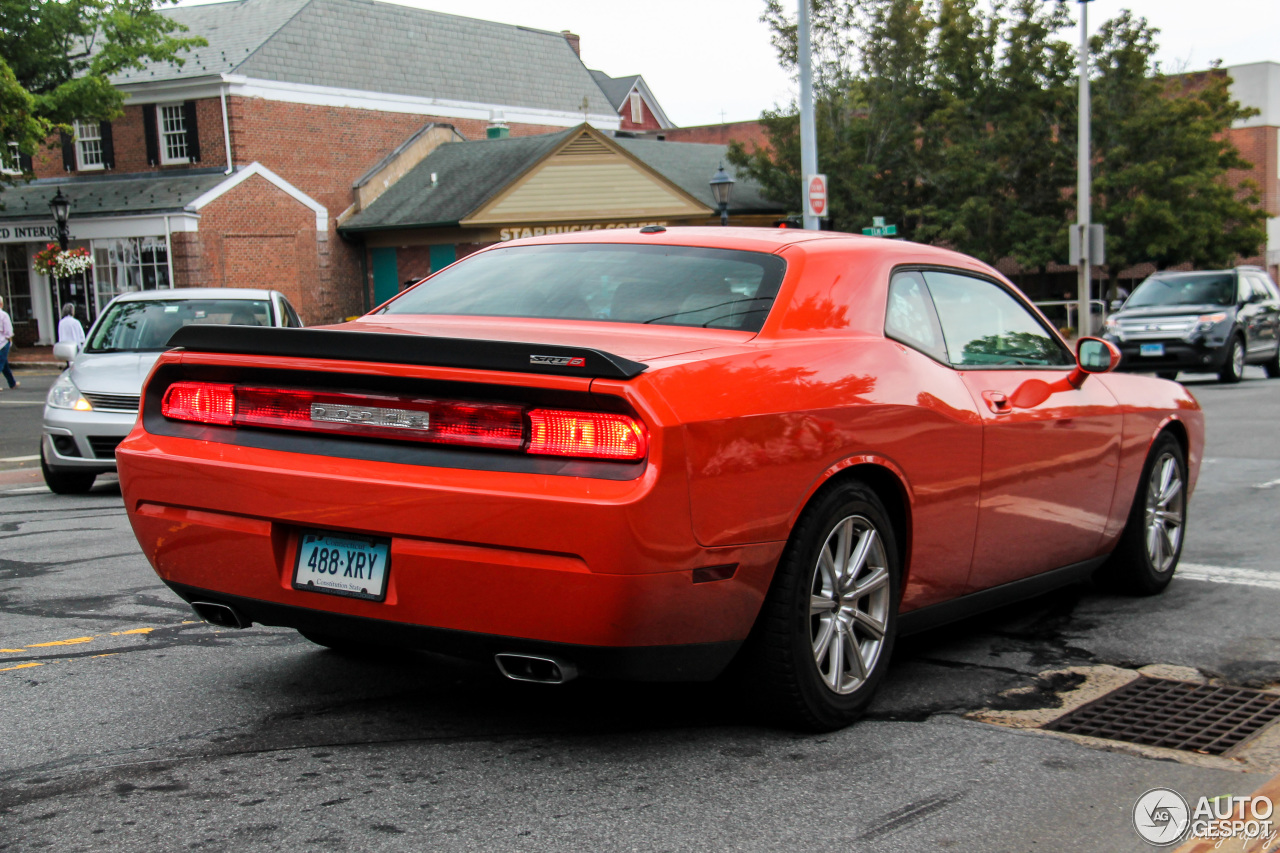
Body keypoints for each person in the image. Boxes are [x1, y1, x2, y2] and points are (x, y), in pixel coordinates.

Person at [0, 295, 17, 391]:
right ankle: (12, 383)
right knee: (1, 363)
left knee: (5, 365)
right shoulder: (4, 315)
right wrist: (10, 339)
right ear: (1, 304)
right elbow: (8, 331)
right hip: (2, 342)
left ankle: (12, 383)